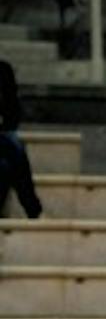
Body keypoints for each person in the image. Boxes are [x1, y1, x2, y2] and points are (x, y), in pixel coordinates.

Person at [0, 58, 43, 219]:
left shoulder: (3, 70)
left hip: (2, 134)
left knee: (4, 166)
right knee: (14, 149)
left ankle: (32, 209)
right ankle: (33, 209)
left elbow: (12, 116)